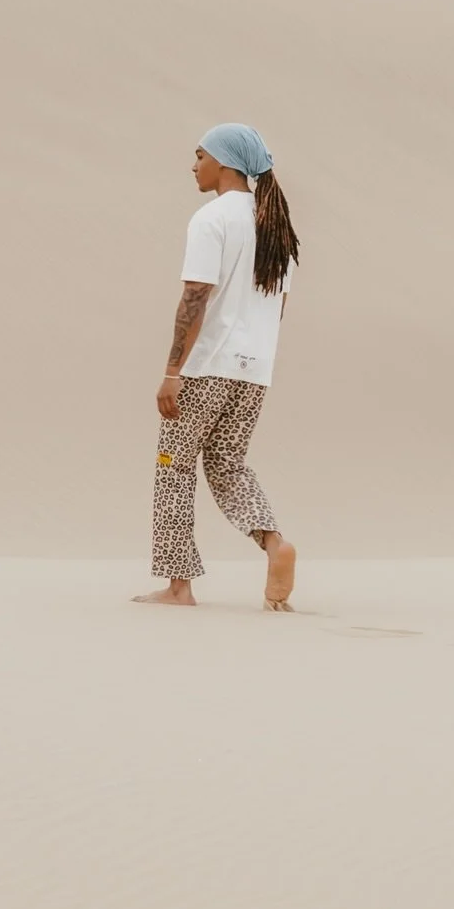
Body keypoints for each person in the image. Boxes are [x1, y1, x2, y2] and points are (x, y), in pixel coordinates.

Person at [133, 123, 300, 611]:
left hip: (207, 369)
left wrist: (172, 372)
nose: (194, 165)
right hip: (255, 373)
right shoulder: (276, 228)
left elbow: (195, 298)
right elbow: (278, 306)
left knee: (174, 467)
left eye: (201, 155)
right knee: (227, 464)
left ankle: (178, 586)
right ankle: (273, 542)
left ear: (225, 163)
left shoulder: (213, 219)